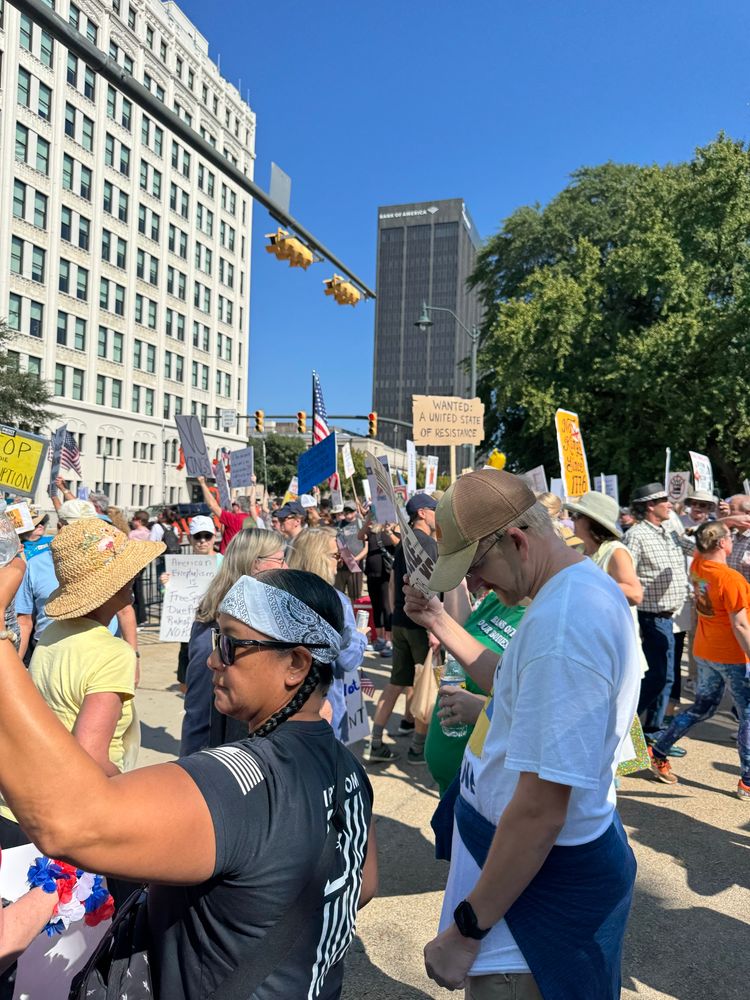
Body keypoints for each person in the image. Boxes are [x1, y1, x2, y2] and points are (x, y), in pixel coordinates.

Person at [0, 564, 377, 1000]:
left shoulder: (242, 778)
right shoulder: (347, 768)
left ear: (295, 663)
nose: (212, 659)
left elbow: (67, 823)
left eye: (231, 644)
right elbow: (361, 885)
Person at [405, 469, 640, 998]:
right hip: (524, 882)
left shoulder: (564, 625)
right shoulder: (565, 593)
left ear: (516, 540)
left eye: (478, 567)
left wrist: (467, 931)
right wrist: (440, 622)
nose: (477, 585)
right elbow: (512, 683)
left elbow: (540, 810)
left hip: (533, 898)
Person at [0, 518, 164, 850]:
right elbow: (90, 754)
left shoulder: (52, 634)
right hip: (70, 816)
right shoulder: (113, 653)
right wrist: (130, 790)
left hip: (22, 805)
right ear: (112, 587)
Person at [649, 521, 750, 799]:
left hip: (705, 652)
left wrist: (719, 526)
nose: (732, 540)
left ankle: (658, 750)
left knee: (703, 707)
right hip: (733, 656)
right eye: (729, 536)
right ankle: (748, 781)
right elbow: (741, 625)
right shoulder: (731, 579)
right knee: (748, 714)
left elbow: (699, 544)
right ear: (721, 544)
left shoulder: (697, 565)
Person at [181, 528, 287, 754]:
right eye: (280, 560)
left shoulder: (269, 616)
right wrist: (191, 771)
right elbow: (199, 711)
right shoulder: (214, 626)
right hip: (230, 759)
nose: (286, 567)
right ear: (255, 563)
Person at [425, 580, 525, 797]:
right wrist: (454, 576)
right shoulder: (496, 599)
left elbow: (537, 713)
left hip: (484, 788)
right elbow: (459, 634)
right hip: (453, 773)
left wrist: (483, 710)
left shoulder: (543, 620)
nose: (477, 576)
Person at [15, 499, 139, 662]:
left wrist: (134, 656)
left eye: (88, 527)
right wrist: (16, 665)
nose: (83, 533)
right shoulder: (35, 565)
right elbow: (24, 621)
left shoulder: (108, 558)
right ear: (60, 526)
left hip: (102, 650)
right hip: (50, 652)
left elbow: (124, 610)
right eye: (76, 526)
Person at [366, 492, 439, 765]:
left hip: (400, 619)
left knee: (397, 683)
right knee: (424, 683)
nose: (436, 515)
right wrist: (434, 628)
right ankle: (417, 749)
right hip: (421, 622)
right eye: (434, 510)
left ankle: (376, 742)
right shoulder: (428, 544)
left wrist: (396, 612)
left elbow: (395, 583)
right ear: (422, 513)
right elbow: (430, 586)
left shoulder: (403, 544)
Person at [287, 529, 367, 742]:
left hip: (285, 701)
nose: (339, 562)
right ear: (317, 557)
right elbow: (349, 659)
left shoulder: (280, 593)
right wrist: (360, 637)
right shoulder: (336, 600)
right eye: (335, 555)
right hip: (325, 701)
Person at [161, 516, 222, 693]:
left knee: (215, 681)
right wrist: (166, 585)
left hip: (215, 630)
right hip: (187, 630)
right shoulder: (180, 565)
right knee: (186, 683)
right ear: (190, 538)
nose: (202, 541)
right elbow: (171, 597)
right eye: (198, 536)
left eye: (207, 536)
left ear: (214, 536)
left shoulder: (224, 562)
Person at [361, 514, 399, 656]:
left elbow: (398, 545)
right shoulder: (370, 531)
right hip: (371, 574)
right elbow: (360, 536)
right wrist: (367, 520)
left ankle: (389, 640)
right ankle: (380, 638)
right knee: (376, 606)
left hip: (385, 575)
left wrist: (389, 531)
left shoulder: (392, 529)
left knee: (386, 606)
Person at [335, 501, 368, 601]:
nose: (348, 513)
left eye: (350, 511)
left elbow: (366, 546)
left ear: (355, 511)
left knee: (355, 597)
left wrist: (356, 559)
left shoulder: (361, 524)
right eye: (346, 511)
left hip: (356, 567)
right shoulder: (337, 525)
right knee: (339, 595)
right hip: (341, 567)